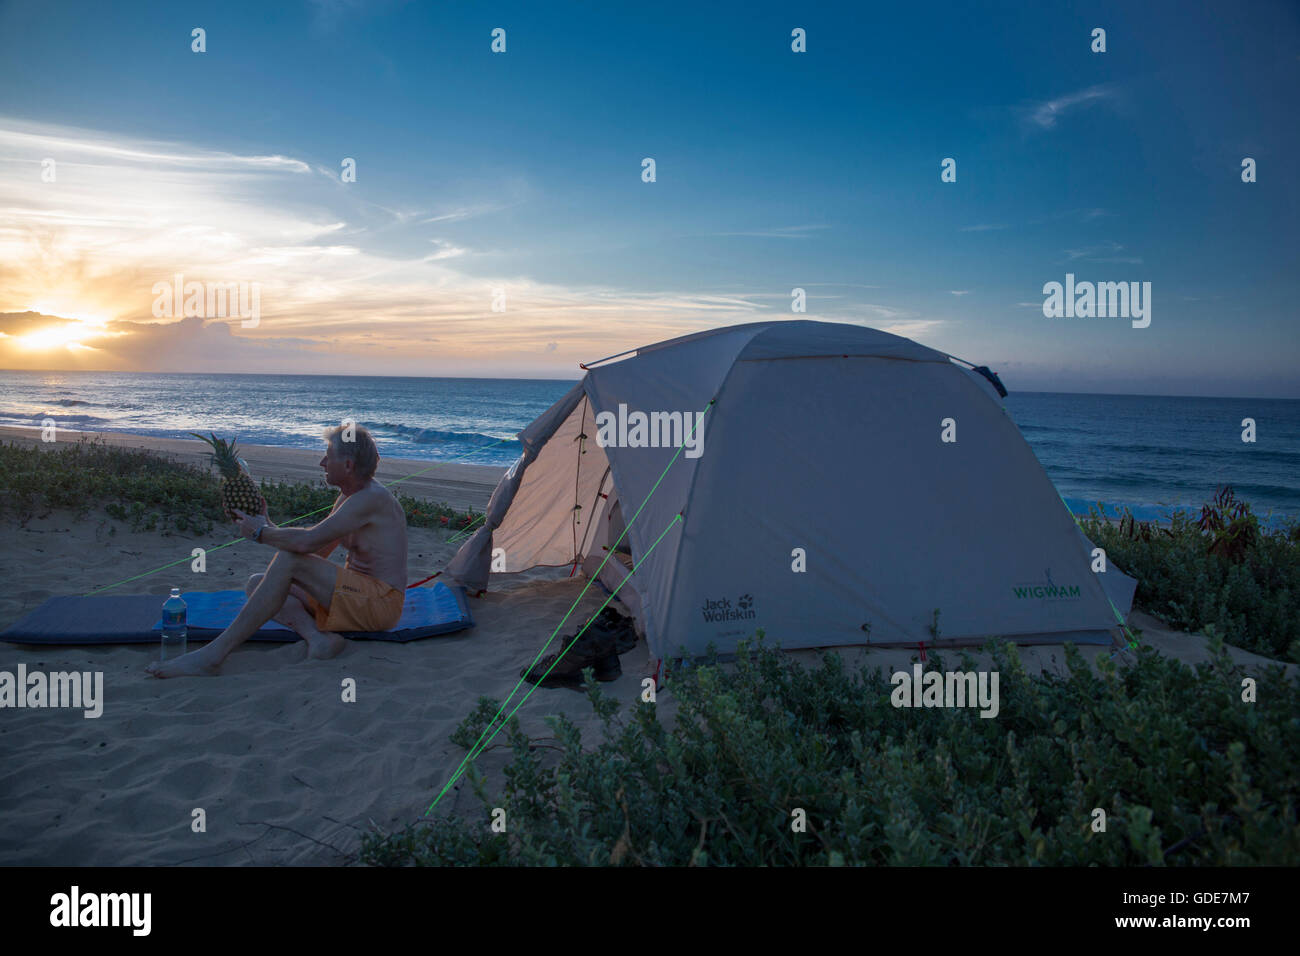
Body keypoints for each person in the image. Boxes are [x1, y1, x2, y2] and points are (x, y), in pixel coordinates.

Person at [147, 424, 408, 678]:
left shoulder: (371, 499)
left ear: (348, 465)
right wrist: (267, 523)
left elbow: (305, 545)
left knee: (288, 561)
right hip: (356, 598)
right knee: (256, 583)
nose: (322, 463)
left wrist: (261, 533)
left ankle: (213, 656)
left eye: (328, 456)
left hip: (379, 603)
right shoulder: (349, 498)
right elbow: (317, 549)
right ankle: (318, 639)